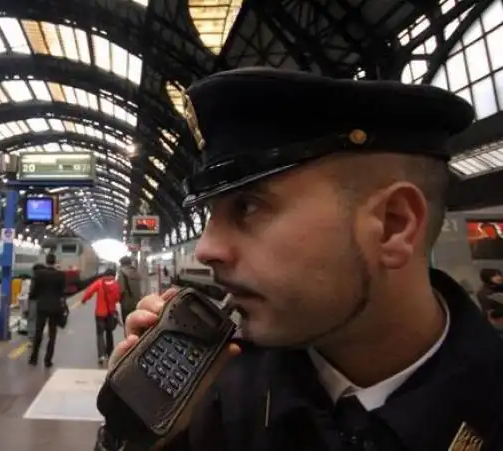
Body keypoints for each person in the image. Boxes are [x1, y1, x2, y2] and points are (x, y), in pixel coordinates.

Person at [106, 68, 503, 449]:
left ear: (392, 225)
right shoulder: (214, 395)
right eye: (211, 214)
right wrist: (144, 440)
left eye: (247, 207)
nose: (206, 249)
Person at [28, 253, 66, 368]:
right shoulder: (60, 275)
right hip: (55, 308)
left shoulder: (39, 274)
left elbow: (34, 291)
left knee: (38, 332)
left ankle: (34, 358)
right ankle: (48, 360)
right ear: (55, 262)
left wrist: (33, 297)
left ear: (46, 261)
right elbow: (62, 292)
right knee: (52, 335)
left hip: (42, 306)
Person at [81, 268, 121, 364]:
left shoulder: (99, 283)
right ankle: (110, 353)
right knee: (109, 333)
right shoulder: (116, 285)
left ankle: (101, 356)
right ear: (113, 275)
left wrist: (84, 300)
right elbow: (117, 298)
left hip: (100, 313)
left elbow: (89, 291)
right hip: (110, 313)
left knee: (100, 334)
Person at [117, 256, 141, 327]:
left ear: (122, 264)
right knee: (136, 323)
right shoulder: (136, 272)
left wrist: (118, 300)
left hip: (126, 304)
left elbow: (121, 290)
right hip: (137, 302)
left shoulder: (122, 273)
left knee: (128, 324)